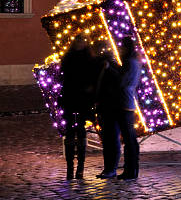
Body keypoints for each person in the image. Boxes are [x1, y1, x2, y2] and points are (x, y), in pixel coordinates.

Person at [96, 36, 141, 180]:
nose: (120, 49)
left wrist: (110, 68)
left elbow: (121, 82)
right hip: (125, 103)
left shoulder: (130, 62)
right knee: (128, 139)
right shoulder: (133, 62)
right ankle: (130, 171)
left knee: (129, 140)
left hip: (124, 104)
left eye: (122, 47)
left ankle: (131, 171)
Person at [60, 35, 93, 180]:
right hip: (69, 98)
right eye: (78, 41)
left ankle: (80, 167)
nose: (80, 43)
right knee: (69, 133)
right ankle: (69, 167)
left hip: (82, 100)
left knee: (80, 132)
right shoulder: (68, 58)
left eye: (83, 41)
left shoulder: (89, 59)